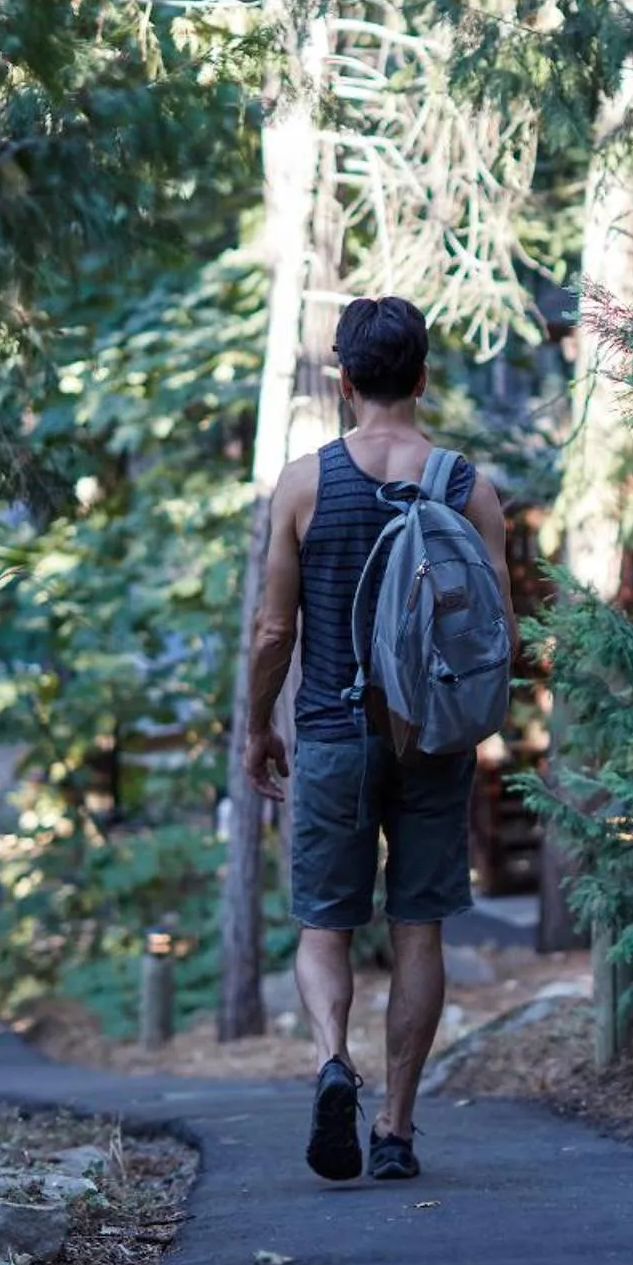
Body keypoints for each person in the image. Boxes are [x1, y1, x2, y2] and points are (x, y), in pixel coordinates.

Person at [243, 295, 513, 1184]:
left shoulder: (304, 482)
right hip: (431, 739)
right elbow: (496, 631)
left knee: (325, 923)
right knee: (419, 927)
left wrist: (257, 728)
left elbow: (274, 632)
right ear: (423, 378)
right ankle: (395, 1130)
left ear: (344, 381)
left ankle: (332, 1061)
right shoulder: (469, 486)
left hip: (330, 732)